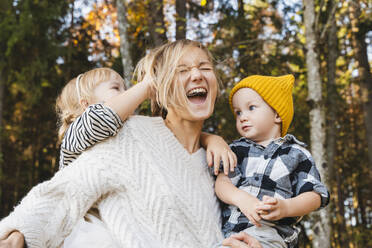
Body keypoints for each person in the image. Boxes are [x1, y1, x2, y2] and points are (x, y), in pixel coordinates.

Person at [0, 40, 257, 248]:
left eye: (205, 67)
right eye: (182, 70)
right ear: (160, 86)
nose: (197, 75)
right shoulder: (129, 135)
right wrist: (20, 231)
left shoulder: (221, 162)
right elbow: (66, 192)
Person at [215, 75, 330, 248]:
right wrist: (240, 198)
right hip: (229, 233)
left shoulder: (296, 153)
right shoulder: (236, 150)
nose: (242, 117)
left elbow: (315, 196)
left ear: (276, 114)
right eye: (238, 112)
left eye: (251, 108)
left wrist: (286, 208)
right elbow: (222, 182)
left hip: (270, 236)